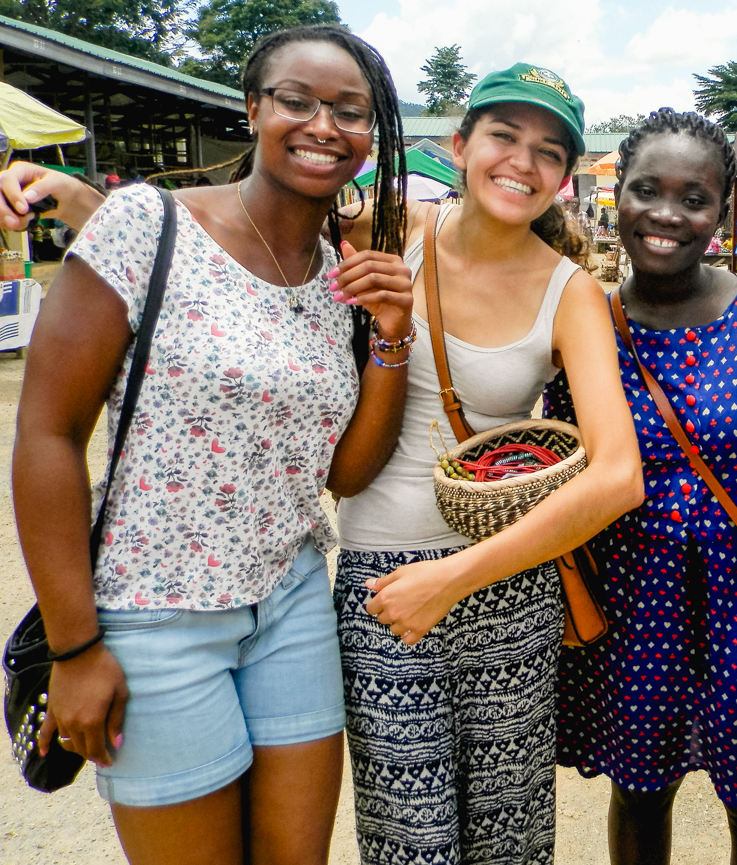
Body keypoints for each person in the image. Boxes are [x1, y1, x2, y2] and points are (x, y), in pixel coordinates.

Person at [8, 25, 414, 865]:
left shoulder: (342, 273)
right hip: (154, 615)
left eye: (351, 111)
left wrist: (392, 336)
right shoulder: (145, 225)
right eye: (297, 101)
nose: (324, 126)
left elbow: (345, 472)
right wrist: (77, 646)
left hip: (292, 602)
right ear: (253, 108)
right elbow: (48, 435)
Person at [331, 63, 643, 864]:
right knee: (410, 841)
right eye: (504, 136)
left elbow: (618, 475)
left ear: (565, 179)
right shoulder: (393, 227)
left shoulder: (570, 291)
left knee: (508, 840)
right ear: (462, 146)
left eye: (548, 151)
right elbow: (263, 217)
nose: (522, 162)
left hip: (510, 587)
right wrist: (95, 203)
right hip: (383, 585)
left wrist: (457, 577)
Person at [543, 108, 737, 865]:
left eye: (694, 199)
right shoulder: (584, 319)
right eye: (648, 190)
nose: (666, 214)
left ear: (723, 211)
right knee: (641, 789)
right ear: (614, 194)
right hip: (631, 592)